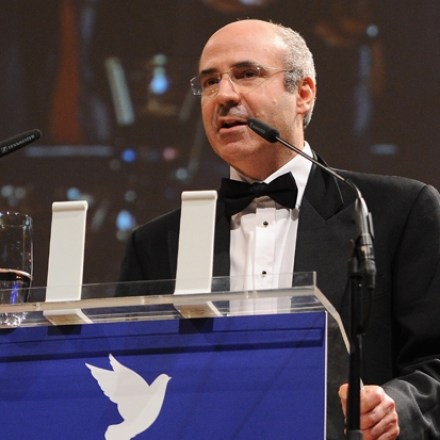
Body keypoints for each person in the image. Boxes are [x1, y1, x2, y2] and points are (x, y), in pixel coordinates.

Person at [119, 19, 440, 439]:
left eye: (247, 74)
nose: (224, 95)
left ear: (303, 93)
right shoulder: (157, 244)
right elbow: (132, 375)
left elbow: (434, 363)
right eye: (210, 82)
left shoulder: (396, 211)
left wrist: (396, 407)